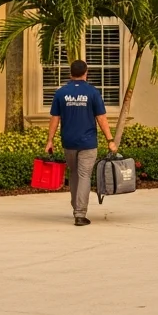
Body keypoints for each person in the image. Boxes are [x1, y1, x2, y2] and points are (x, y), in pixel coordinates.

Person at [46, 60, 118, 226]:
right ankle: (80, 213)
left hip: (68, 141)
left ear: (70, 73)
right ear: (86, 72)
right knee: (84, 175)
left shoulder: (61, 93)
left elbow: (54, 119)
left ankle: (76, 207)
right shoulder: (92, 92)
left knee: (74, 174)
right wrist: (110, 140)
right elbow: (101, 118)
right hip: (87, 142)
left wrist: (50, 140)